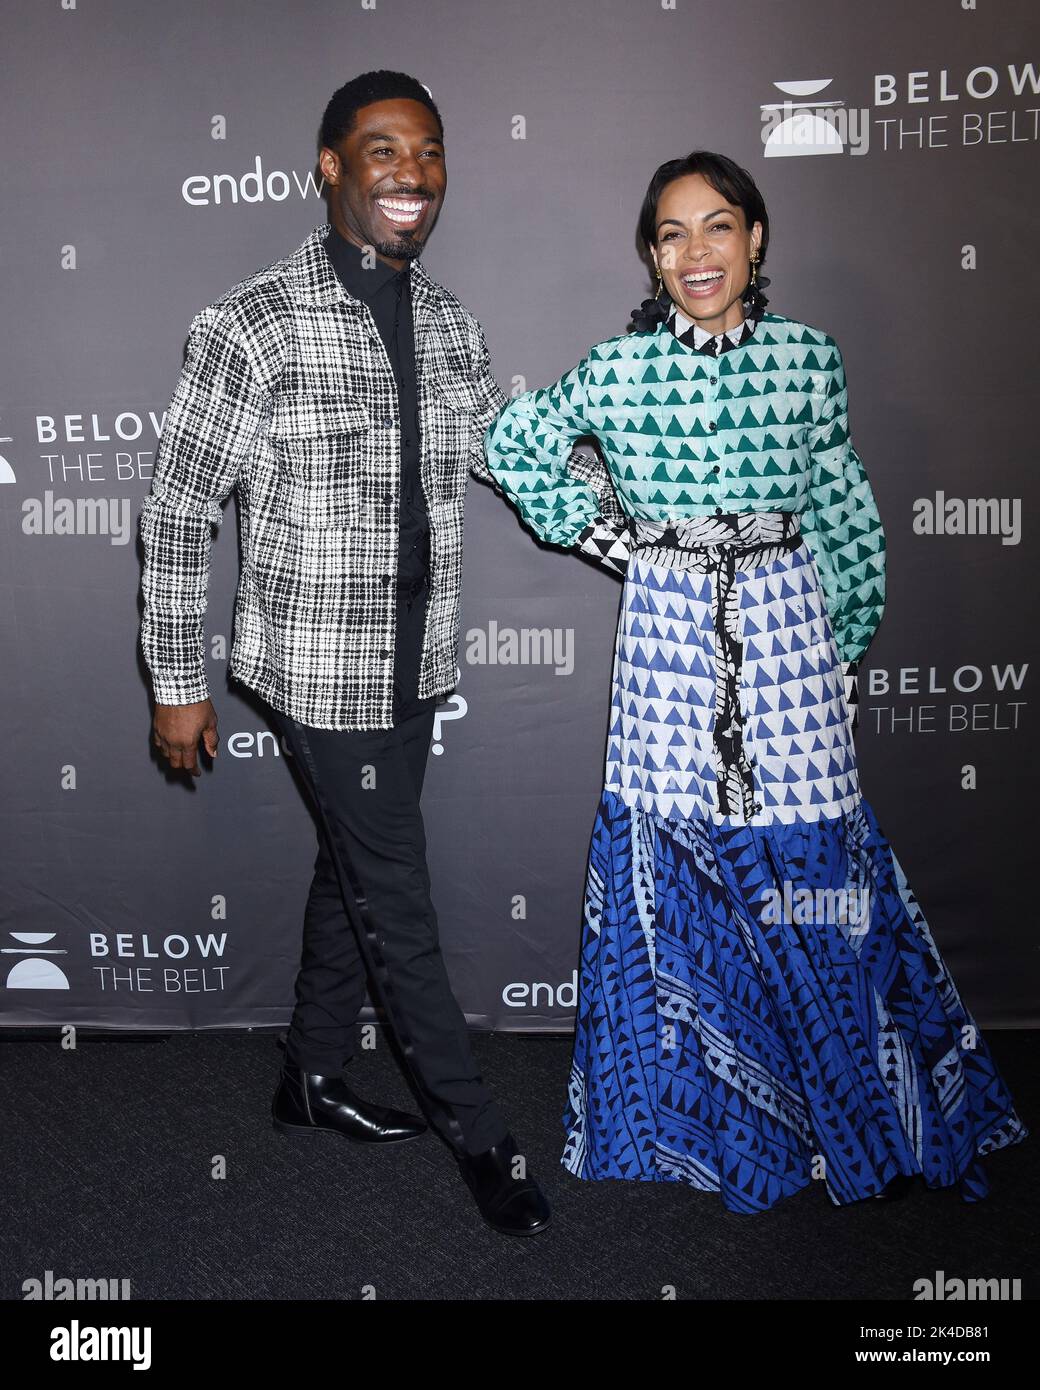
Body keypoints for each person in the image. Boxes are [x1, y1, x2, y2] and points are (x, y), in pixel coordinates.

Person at [482, 151, 1028, 1213]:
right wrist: (625, 545)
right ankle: (702, 1122)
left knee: (817, 869)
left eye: (717, 226)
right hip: (666, 645)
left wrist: (839, 642)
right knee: (673, 869)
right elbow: (515, 444)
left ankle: (860, 1115)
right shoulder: (618, 368)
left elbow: (842, 508)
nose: (695, 253)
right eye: (672, 234)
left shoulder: (808, 360)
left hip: (787, 645)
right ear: (651, 253)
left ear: (755, 239)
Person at [138, 70, 618, 1237]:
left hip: (415, 663)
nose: (411, 173)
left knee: (350, 868)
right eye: (383, 149)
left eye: (430, 152)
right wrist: (174, 681)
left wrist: (656, 519)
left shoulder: (450, 322)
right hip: (316, 669)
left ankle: (309, 1073)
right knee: (396, 896)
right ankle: (478, 1134)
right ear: (332, 166)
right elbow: (175, 507)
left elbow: (515, 463)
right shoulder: (250, 321)